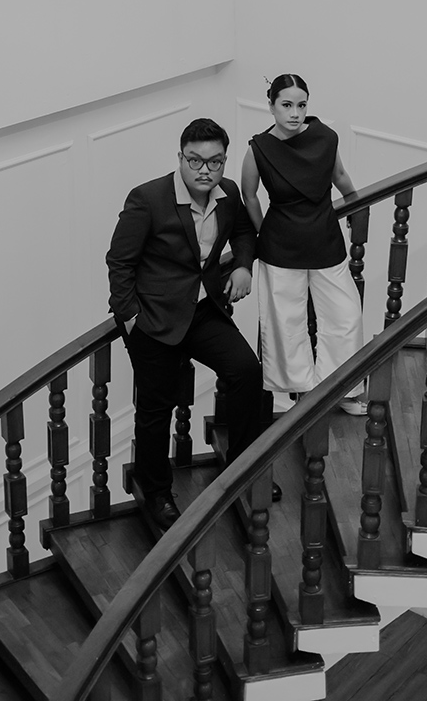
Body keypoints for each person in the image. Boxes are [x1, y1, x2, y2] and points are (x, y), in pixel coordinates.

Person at [107, 117, 273, 530]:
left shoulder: (228, 194)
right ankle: (156, 493)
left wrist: (243, 266)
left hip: (203, 312)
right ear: (180, 158)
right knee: (155, 408)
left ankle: (243, 467)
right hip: (155, 320)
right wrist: (131, 320)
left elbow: (244, 233)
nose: (204, 170)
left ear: (224, 162)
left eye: (215, 162)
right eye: (195, 160)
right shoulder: (148, 198)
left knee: (246, 371)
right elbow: (120, 262)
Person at [241, 74, 366, 415]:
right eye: (286, 105)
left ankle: (341, 390)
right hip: (280, 246)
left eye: (301, 105)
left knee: (346, 316)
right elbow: (249, 195)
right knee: (286, 324)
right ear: (271, 106)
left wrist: (356, 206)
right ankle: (303, 397)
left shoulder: (326, 137)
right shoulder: (258, 149)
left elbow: (340, 177)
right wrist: (263, 231)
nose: (294, 113)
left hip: (325, 238)